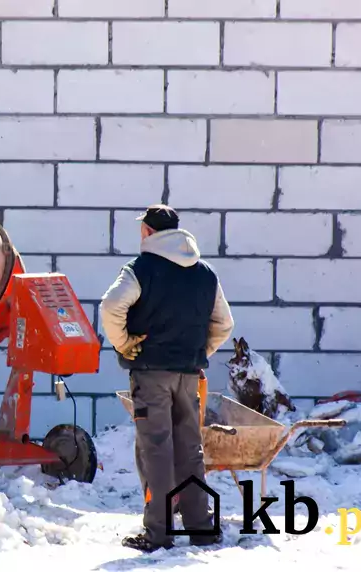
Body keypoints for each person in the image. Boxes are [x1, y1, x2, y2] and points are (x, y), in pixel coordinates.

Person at [99, 204, 234, 552]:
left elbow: (110, 306)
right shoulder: (205, 273)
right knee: (190, 448)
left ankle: (158, 533)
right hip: (188, 374)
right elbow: (224, 324)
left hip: (150, 373)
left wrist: (125, 343)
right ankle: (201, 528)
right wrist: (197, 351)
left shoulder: (139, 269)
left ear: (147, 232)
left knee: (156, 449)